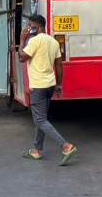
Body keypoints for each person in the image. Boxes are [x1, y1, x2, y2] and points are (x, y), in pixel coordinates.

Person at [16, 15, 77, 164]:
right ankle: (36, 150)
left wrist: (22, 40)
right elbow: (59, 65)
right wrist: (58, 84)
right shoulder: (53, 41)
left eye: (30, 26)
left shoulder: (34, 41)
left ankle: (66, 146)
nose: (28, 28)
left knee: (40, 120)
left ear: (36, 27)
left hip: (38, 86)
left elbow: (22, 58)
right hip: (50, 85)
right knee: (41, 119)